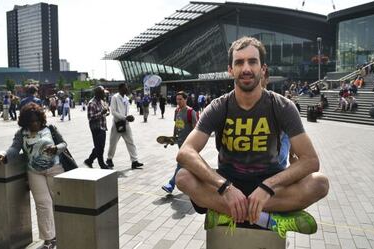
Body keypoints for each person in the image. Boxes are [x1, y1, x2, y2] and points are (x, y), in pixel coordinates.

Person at [175, 36, 329, 239]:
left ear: (262, 69)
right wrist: (225, 187)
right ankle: (268, 218)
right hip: (228, 181)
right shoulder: (219, 106)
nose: (246, 68)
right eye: (239, 62)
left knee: (320, 183)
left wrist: (268, 187)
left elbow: (311, 160)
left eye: (252, 61)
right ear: (230, 69)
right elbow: (185, 152)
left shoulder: (282, 106)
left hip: (270, 185)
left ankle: (224, 213)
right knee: (183, 177)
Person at [0, 103, 66, 249]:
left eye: (36, 120)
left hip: (55, 169)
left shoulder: (50, 129)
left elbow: (63, 144)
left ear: (41, 119)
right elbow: (14, 148)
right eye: (31, 121)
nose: (34, 123)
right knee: (42, 204)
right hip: (34, 172)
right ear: (25, 122)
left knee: (58, 202)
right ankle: (49, 239)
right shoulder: (22, 133)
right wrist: (4, 155)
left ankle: (62, 233)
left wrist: (56, 148)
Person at [162, 91, 198, 194]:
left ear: (186, 99)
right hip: (180, 142)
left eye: (180, 99)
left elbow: (196, 129)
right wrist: (173, 138)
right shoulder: (176, 111)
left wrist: (194, 143)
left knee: (181, 162)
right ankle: (197, 182)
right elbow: (176, 125)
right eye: (177, 99)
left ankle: (171, 184)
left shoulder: (191, 112)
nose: (178, 101)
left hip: (189, 144)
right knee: (189, 164)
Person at [106, 83, 144, 169]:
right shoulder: (115, 97)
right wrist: (125, 117)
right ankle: (109, 159)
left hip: (126, 123)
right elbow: (113, 112)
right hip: (117, 124)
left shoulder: (126, 98)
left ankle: (134, 161)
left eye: (127, 88)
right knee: (113, 143)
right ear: (120, 89)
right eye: (124, 88)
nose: (126, 89)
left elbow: (126, 111)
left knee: (131, 141)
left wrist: (129, 117)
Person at [83, 86, 110, 169]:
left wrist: (106, 112)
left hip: (102, 126)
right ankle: (101, 164)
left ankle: (89, 160)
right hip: (96, 128)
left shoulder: (102, 101)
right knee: (100, 147)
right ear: (98, 93)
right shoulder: (92, 103)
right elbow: (90, 117)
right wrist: (101, 113)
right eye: (103, 93)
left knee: (99, 146)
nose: (104, 94)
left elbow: (105, 111)